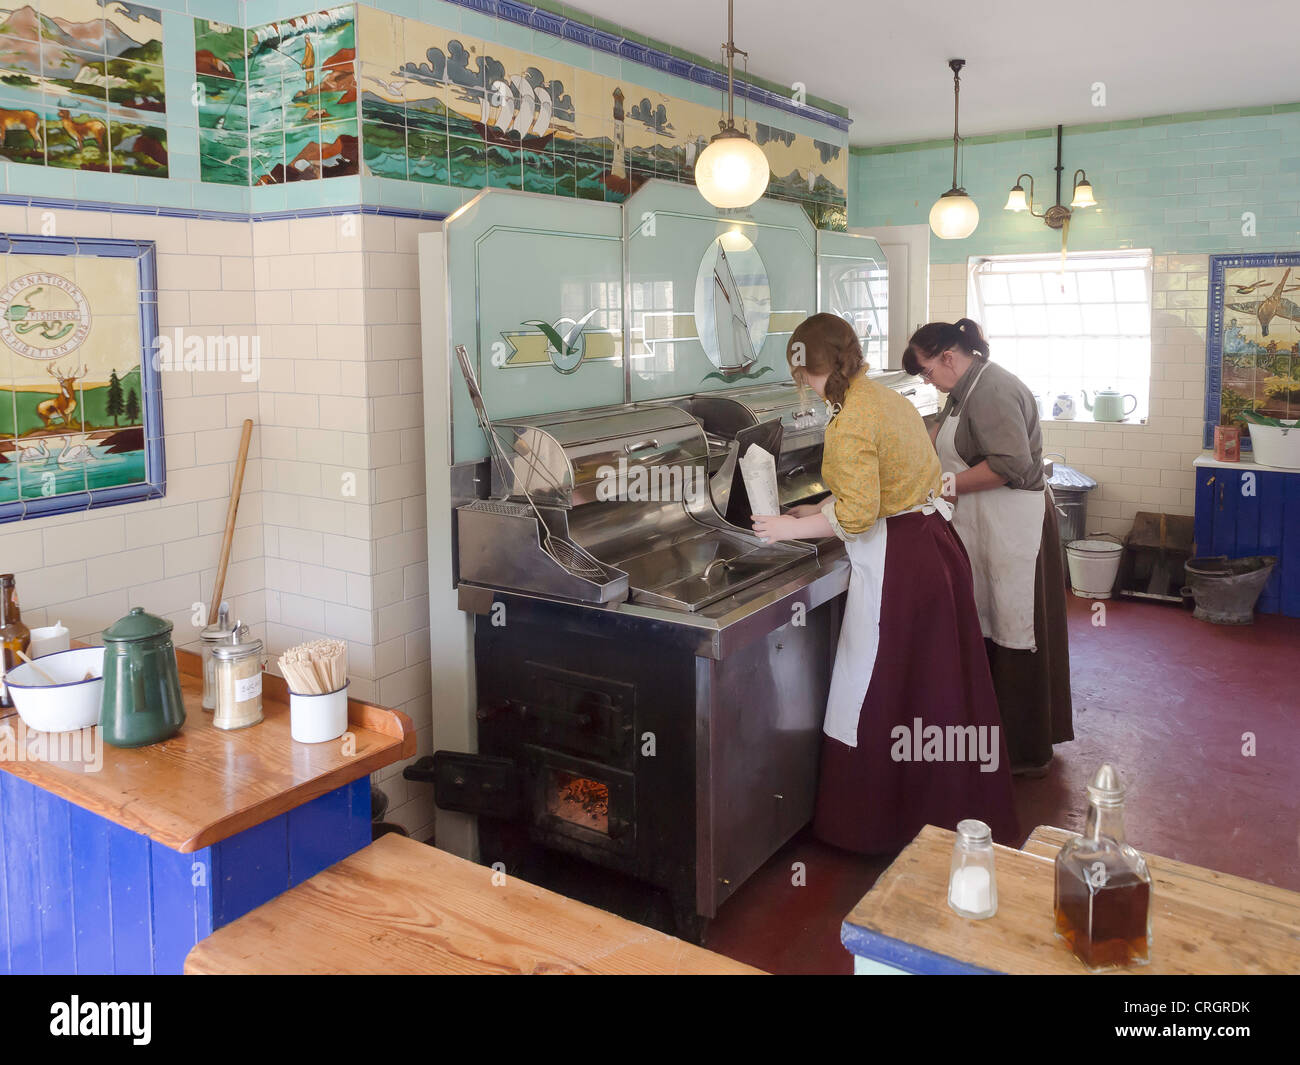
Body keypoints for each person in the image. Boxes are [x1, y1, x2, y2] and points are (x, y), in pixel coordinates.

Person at [752, 313, 1018, 853]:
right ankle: (954, 814)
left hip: (901, 564)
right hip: (935, 549)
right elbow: (884, 477)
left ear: (805, 369)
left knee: (876, 683)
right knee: (939, 688)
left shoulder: (847, 421)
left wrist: (789, 526)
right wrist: (822, 502)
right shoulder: (884, 399)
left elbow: (860, 513)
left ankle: (879, 825)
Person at [902, 318, 1073, 776]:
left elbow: (1010, 465)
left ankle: (1026, 751)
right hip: (988, 527)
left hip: (1014, 527)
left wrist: (945, 484)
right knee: (993, 625)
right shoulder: (965, 390)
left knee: (1018, 629)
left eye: (926, 371)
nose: (928, 381)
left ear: (948, 357)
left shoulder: (993, 389)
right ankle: (996, 739)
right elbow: (940, 435)